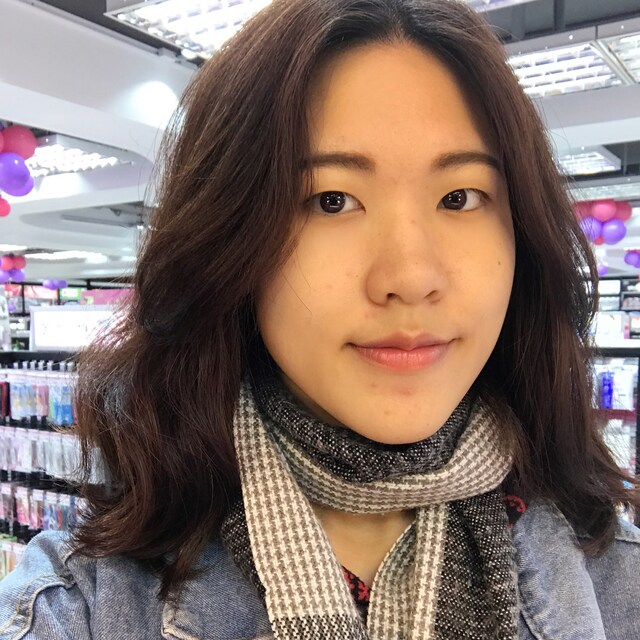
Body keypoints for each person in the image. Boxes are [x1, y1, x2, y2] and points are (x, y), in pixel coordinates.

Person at [1, 0, 639, 638]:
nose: (410, 276)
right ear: (230, 241)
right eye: (331, 200)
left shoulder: (618, 582)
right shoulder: (83, 605)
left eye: (459, 197)